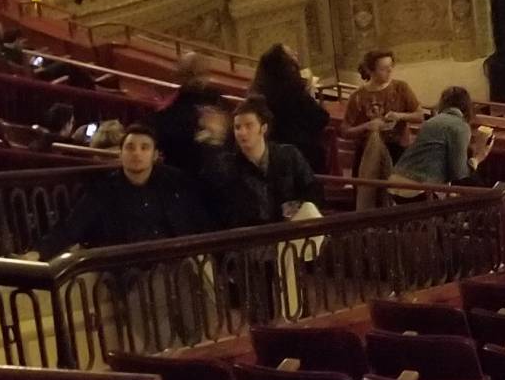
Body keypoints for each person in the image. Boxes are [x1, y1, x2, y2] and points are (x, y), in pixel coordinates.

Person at [35, 124, 206, 254]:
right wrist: (38, 253)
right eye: (130, 148)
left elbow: (195, 219)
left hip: (172, 258)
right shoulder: (105, 188)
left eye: (144, 148)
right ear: (120, 154)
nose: (137, 154)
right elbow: (72, 226)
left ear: (154, 155)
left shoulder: (173, 182)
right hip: (126, 267)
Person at [209, 98, 321, 228]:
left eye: (249, 125)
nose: (242, 132)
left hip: (290, 229)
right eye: (237, 127)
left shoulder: (288, 155)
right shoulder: (228, 165)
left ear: (263, 128)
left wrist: (295, 207)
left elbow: (312, 190)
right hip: (252, 236)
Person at [342, 47, 423, 190]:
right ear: (371, 70)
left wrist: (399, 116)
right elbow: (345, 131)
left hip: (397, 149)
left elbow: (419, 116)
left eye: (390, 67)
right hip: (369, 152)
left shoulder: (401, 88)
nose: (389, 71)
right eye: (383, 68)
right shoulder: (358, 96)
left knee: (398, 193)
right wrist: (367, 126)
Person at [251, 44, 332, 175]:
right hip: (301, 157)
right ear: (285, 65)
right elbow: (321, 119)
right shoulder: (294, 91)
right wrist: (310, 94)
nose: (296, 55)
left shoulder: (258, 94)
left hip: (271, 158)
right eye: (292, 55)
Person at [392, 86, 492, 188]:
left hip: (395, 180)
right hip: (420, 187)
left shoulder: (431, 121)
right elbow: (460, 174)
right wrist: (478, 157)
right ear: (467, 106)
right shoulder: (460, 125)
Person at [154, 56, 228, 178]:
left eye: (201, 73)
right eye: (192, 74)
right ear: (182, 78)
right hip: (185, 177)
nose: (197, 79)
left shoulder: (218, 99)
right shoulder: (171, 109)